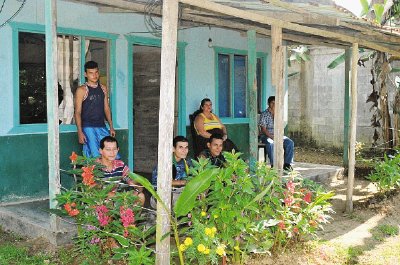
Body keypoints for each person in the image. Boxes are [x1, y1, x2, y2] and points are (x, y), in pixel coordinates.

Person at [75, 61, 116, 158]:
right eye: (91, 73)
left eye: (96, 72)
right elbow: (77, 112)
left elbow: (106, 108)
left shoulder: (103, 88)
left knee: (110, 153)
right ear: (85, 74)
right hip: (88, 127)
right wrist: (80, 132)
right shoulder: (82, 90)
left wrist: (111, 126)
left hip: (102, 126)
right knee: (95, 156)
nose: (94, 75)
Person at [97, 136, 145, 205]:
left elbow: (133, 181)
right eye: (108, 149)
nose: (112, 153)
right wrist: (119, 197)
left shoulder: (120, 165)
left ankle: (131, 215)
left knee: (140, 196)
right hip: (100, 201)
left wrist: (136, 186)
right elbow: (95, 191)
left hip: (117, 199)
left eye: (114, 149)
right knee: (108, 202)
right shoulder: (94, 167)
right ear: (101, 151)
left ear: (118, 149)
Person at [151, 136, 193, 208]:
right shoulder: (165, 162)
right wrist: (183, 182)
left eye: (186, 147)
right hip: (161, 196)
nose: (184, 150)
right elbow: (162, 182)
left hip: (180, 192)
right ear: (173, 149)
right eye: (180, 147)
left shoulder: (188, 162)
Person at [259, 96, 294, 170]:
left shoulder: (278, 114)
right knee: (271, 143)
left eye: (275, 103)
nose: (274, 104)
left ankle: (287, 164)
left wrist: (279, 136)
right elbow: (263, 129)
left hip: (277, 135)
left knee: (290, 142)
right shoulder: (264, 114)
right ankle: (273, 164)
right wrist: (272, 137)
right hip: (266, 135)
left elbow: (280, 127)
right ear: (268, 103)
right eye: (272, 103)